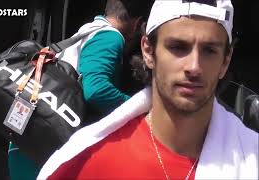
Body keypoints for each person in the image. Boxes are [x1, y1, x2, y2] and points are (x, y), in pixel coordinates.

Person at [37, 0, 259, 179]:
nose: (194, 67)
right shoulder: (88, 161)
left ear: (225, 61)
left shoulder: (251, 159)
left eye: (209, 50)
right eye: (178, 47)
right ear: (148, 51)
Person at [8, 0, 152, 180]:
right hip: (46, 146)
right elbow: (96, 90)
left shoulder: (87, 31)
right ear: (138, 24)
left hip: (30, 138)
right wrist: (140, 111)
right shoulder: (110, 37)